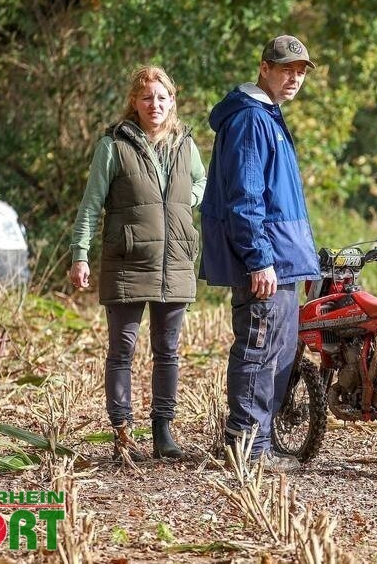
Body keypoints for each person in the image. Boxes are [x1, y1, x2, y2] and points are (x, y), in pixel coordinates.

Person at [68, 65, 206, 462]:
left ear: (172, 101)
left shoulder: (185, 144)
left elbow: (201, 182)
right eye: (147, 98)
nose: (155, 104)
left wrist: (184, 206)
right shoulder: (113, 145)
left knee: (168, 350)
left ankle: (163, 431)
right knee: (122, 349)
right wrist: (80, 255)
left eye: (162, 97)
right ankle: (122, 432)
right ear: (135, 102)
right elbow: (91, 205)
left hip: (175, 260)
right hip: (127, 261)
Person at [199, 35, 320, 471]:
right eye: (286, 69)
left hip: (284, 259)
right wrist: (259, 259)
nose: (294, 78)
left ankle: (258, 443)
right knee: (258, 347)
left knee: (279, 352)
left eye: (301, 71)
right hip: (266, 262)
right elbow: (244, 199)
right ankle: (247, 448)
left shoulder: (269, 115)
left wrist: (305, 258)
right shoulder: (250, 119)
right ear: (264, 67)